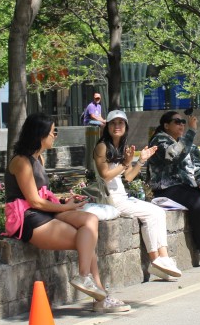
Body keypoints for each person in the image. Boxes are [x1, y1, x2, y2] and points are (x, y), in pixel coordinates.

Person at [7, 113, 128, 313]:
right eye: (53, 132)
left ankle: (87, 281)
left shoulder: (38, 158)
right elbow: (34, 201)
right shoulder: (21, 162)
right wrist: (66, 208)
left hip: (43, 211)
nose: (55, 135)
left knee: (90, 221)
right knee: (86, 240)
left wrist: (64, 201)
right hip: (29, 218)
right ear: (40, 134)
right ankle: (99, 296)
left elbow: (42, 195)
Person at [93, 110, 182, 282]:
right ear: (107, 126)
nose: (117, 126)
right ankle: (156, 260)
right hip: (111, 200)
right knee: (151, 214)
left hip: (122, 196)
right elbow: (105, 176)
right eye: (113, 123)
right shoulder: (102, 147)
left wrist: (141, 160)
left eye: (120, 123)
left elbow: (127, 177)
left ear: (126, 126)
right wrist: (126, 163)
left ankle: (163, 258)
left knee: (159, 212)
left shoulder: (121, 147)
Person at [147, 111, 200, 265]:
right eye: (177, 121)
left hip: (189, 186)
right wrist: (192, 131)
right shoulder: (159, 140)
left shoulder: (187, 142)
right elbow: (173, 156)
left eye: (183, 122)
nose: (182, 124)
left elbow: (199, 165)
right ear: (166, 125)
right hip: (167, 188)